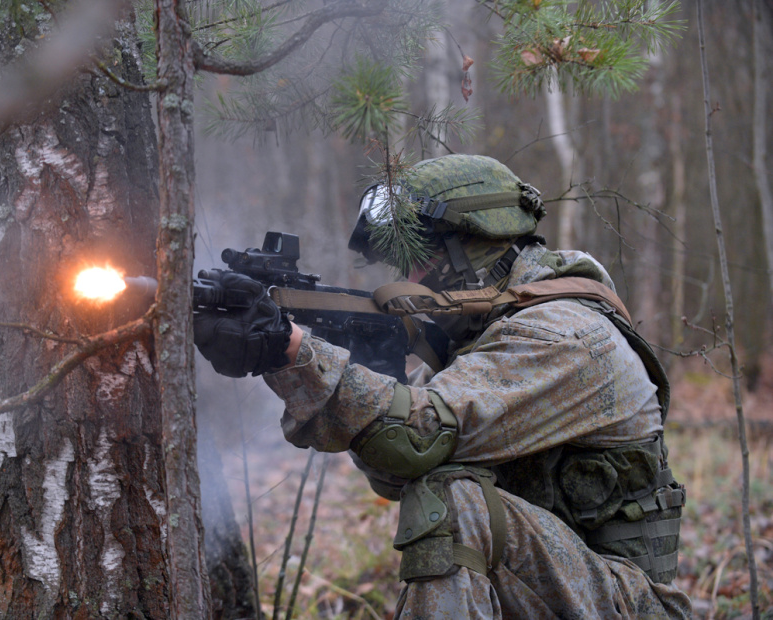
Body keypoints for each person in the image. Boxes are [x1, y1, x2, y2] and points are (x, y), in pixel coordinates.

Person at [194, 154, 692, 618]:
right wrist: (355, 370)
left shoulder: (562, 333)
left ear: (469, 247)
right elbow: (392, 471)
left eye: (418, 258)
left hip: (631, 602)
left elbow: (417, 441)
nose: (409, 278)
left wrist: (292, 348)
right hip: (566, 591)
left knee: (454, 501)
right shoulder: (487, 340)